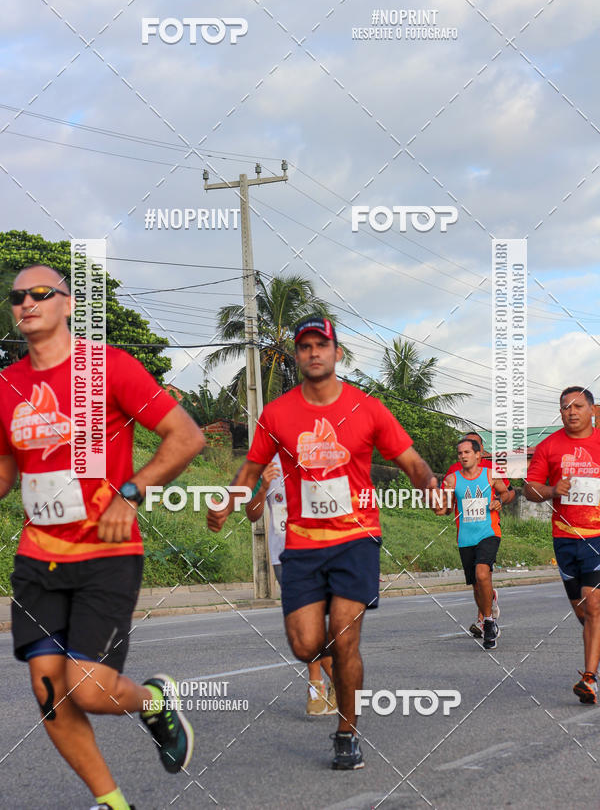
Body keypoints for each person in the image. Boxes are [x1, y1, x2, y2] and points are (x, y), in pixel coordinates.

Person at [0, 265, 205, 810]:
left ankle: (154, 703)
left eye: (40, 293)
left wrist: (130, 492)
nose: (26, 303)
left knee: (87, 689)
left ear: (67, 304)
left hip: (106, 554)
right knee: (49, 690)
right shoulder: (7, 385)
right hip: (38, 556)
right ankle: (114, 803)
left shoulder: (108, 367)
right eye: (17, 296)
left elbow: (186, 436)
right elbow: (4, 472)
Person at [207, 316, 437, 770]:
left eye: (321, 345)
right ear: (297, 356)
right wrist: (227, 501)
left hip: (356, 537)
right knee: (304, 644)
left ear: (337, 353)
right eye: (305, 346)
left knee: (344, 636)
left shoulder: (367, 408)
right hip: (303, 543)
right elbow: (251, 470)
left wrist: (430, 483)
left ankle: (347, 731)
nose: (313, 352)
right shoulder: (278, 413)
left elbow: (409, 459)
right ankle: (333, 679)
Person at [525, 386, 600, 703]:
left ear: (592, 410)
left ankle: (589, 679)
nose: (572, 411)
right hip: (565, 539)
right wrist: (553, 489)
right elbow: (530, 490)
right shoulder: (549, 447)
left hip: (597, 537)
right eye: (566, 406)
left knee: (593, 605)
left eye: (579, 406)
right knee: (583, 613)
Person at [251, 453, 337, 716]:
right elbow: (252, 514)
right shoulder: (266, 465)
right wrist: (264, 487)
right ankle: (338, 682)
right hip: (282, 560)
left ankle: (316, 686)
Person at [436, 438, 511, 650]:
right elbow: (447, 509)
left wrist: (500, 501)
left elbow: (505, 492)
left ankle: (488, 622)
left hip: (489, 533)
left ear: (478, 455)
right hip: (465, 538)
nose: (463, 456)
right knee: (477, 585)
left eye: (467, 452)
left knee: (482, 573)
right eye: (460, 453)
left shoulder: (490, 475)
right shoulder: (452, 480)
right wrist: (439, 506)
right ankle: (489, 612)